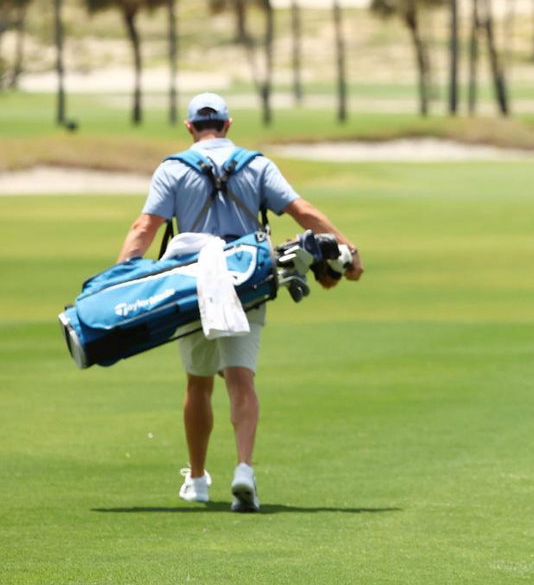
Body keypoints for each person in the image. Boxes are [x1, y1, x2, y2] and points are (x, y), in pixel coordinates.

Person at [116, 92, 364, 512]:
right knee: (241, 379)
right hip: (246, 281)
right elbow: (301, 211)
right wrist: (347, 247)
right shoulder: (257, 165)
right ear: (229, 125)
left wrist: (120, 278)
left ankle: (196, 479)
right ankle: (243, 469)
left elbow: (145, 226)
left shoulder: (172, 169)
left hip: (191, 284)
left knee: (198, 382)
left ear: (190, 127)